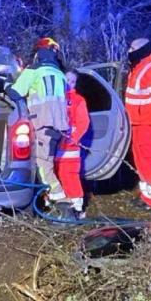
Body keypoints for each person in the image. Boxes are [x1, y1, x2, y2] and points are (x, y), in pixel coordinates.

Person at [8, 37, 70, 205]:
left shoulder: (33, 71)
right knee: (49, 161)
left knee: (43, 163)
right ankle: (50, 198)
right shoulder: (60, 74)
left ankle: (60, 199)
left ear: (38, 54)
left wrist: (7, 85)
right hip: (60, 126)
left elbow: (15, 93)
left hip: (43, 123)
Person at [124, 38, 151, 209]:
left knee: (149, 160)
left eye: (132, 47)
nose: (129, 50)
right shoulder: (137, 69)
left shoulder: (150, 69)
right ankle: (146, 196)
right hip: (137, 122)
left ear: (142, 49)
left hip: (148, 123)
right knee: (140, 160)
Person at [55, 71, 91, 219]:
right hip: (56, 146)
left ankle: (77, 207)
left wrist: (73, 138)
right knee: (58, 175)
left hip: (70, 147)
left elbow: (84, 123)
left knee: (70, 176)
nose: (69, 84)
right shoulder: (56, 98)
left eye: (72, 81)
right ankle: (62, 206)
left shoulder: (78, 100)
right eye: (66, 80)